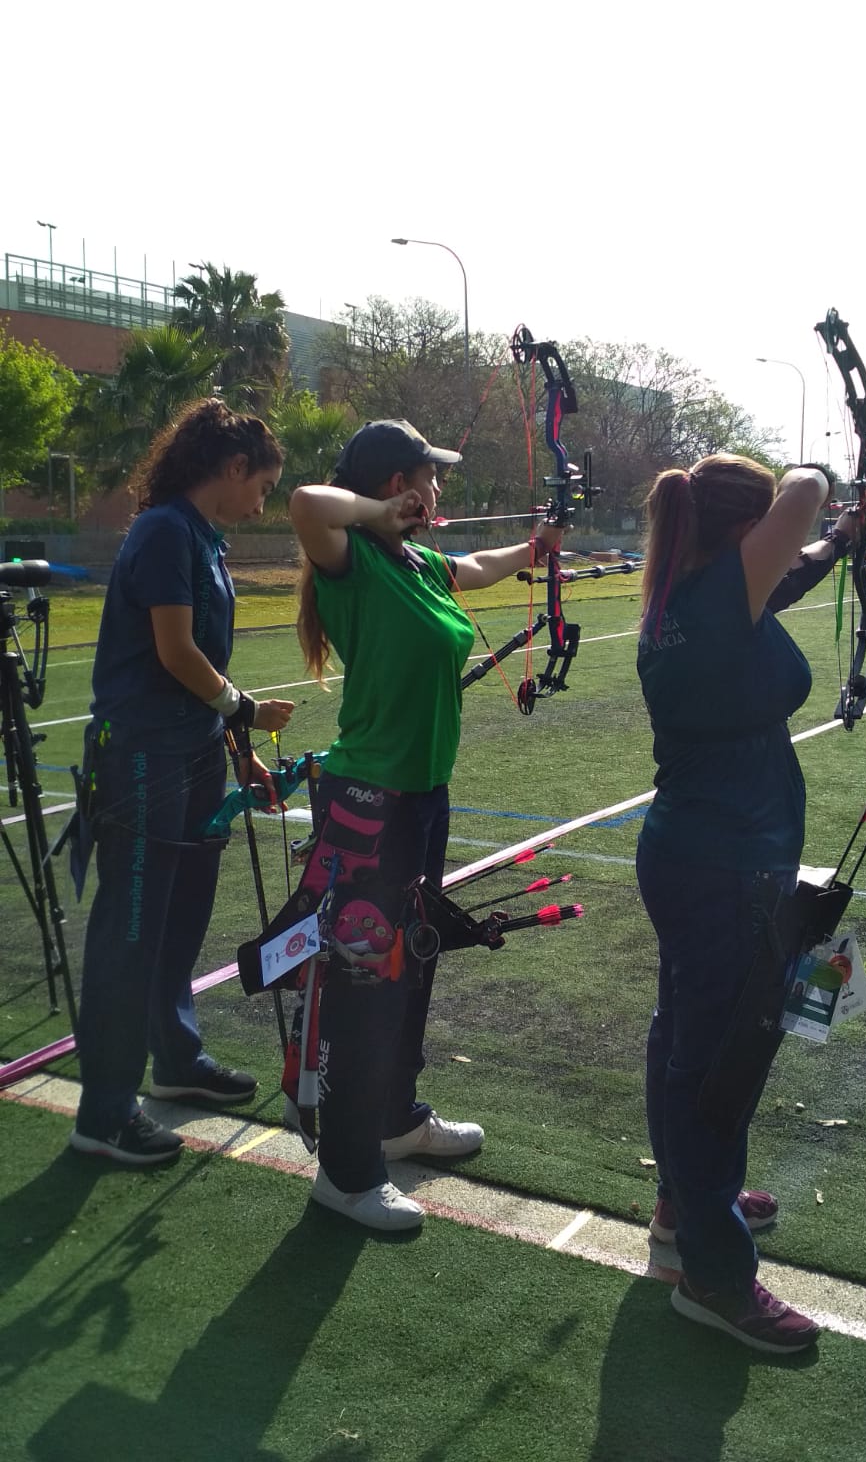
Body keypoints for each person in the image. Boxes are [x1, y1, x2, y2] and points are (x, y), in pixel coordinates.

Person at [288, 417, 561, 1231]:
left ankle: (396, 1119)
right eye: (424, 478)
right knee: (366, 982)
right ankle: (345, 1172)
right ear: (390, 485)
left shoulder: (414, 562)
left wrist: (530, 550)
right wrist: (379, 514)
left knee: (411, 965)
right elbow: (305, 502)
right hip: (368, 806)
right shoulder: (352, 559)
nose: (436, 491)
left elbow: (474, 566)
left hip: (421, 800)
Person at [636, 454, 833, 1354]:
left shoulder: (687, 596)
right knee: (713, 1068)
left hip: (697, 856)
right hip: (721, 867)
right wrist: (813, 471)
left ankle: (686, 1200)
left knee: (685, 1037)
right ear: (745, 533)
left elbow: (788, 563)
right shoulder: (717, 597)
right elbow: (804, 494)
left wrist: (836, 545)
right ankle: (714, 1274)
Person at [70, 399, 294, 1169]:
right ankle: (103, 1113)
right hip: (142, 761)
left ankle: (175, 1061)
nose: (262, 502)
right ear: (230, 470)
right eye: (260, 485)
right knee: (128, 938)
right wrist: (248, 711)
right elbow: (175, 653)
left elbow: (206, 664)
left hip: (191, 758)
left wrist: (239, 752)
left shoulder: (204, 537)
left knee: (177, 925)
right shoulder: (165, 529)